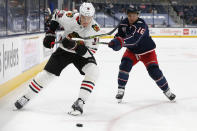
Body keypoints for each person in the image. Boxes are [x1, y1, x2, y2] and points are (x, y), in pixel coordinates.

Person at [14, 2, 100, 116]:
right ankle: (26, 96)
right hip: (64, 51)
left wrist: (75, 46)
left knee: (93, 71)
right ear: (80, 14)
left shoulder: (95, 29)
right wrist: (50, 33)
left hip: (81, 55)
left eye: (89, 18)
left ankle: (80, 102)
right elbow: (55, 15)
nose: (86, 21)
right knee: (46, 75)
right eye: (84, 17)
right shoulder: (69, 17)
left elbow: (91, 52)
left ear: (92, 17)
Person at [108, 7, 176, 103]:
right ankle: (120, 90)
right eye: (129, 15)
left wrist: (119, 42)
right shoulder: (123, 23)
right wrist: (114, 41)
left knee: (154, 72)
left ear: (138, 15)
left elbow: (134, 40)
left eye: (134, 15)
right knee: (124, 66)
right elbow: (120, 36)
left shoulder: (141, 24)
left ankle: (167, 91)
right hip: (132, 52)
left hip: (147, 52)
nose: (131, 17)